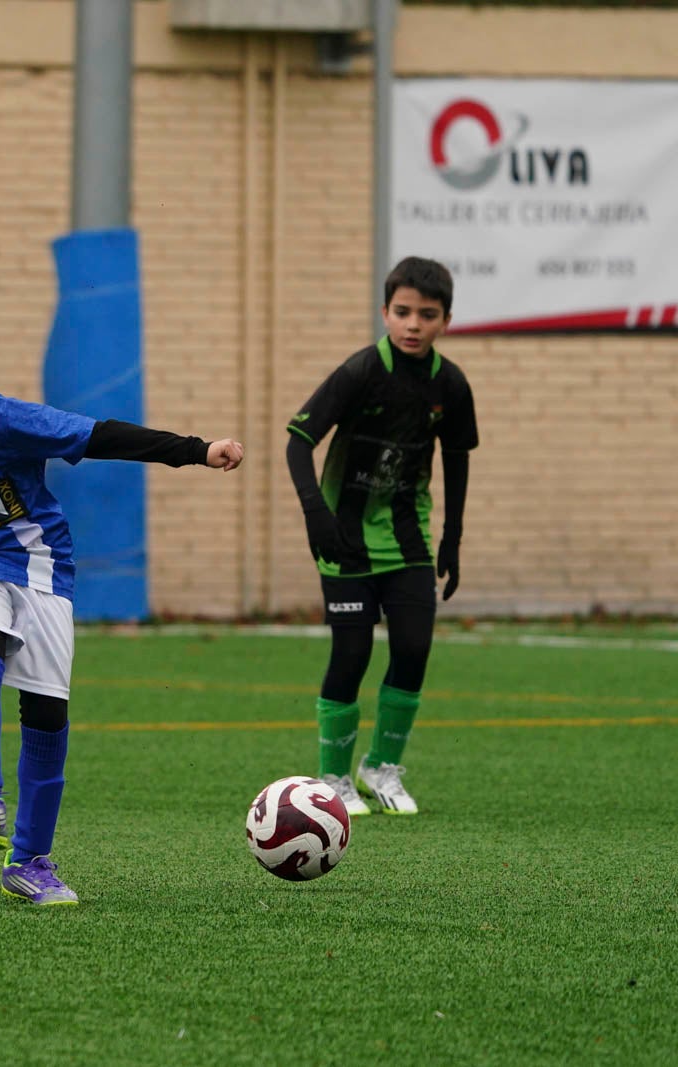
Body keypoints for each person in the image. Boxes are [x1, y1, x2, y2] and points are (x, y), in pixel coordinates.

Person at [0, 315, 245, 905]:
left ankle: (30, 861)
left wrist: (196, 451)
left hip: (42, 569)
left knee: (45, 717)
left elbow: (98, 436)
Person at [285, 256, 478, 817]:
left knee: (414, 649)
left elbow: (458, 458)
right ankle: (334, 778)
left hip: (408, 536)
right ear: (385, 312)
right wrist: (314, 513)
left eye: (427, 314)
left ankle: (380, 769)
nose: (413, 324)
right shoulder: (361, 371)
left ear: (445, 319)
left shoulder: (451, 384)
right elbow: (299, 441)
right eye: (402, 312)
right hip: (344, 536)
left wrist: (453, 537)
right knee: (353, 651)